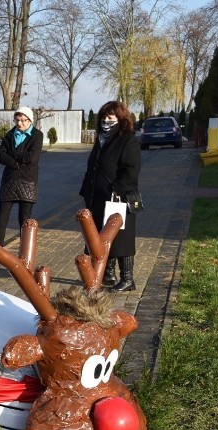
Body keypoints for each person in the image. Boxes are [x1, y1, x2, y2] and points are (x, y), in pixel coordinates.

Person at [79, 100, 142, 292]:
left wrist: (118, 189)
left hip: (118, 198)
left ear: (121, 118)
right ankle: (108, 274)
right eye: (104, 117)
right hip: (97, 197)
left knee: (122, 238)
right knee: (101, 236)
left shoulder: (127, 139)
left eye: (111, 116)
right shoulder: (101, 139)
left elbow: (131, 170)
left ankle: (127, 279)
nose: (106, 120)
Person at [0, 106, 44, 266]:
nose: (20, 123)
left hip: (27, 181)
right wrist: (14, 162)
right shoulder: (9, 135)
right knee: (1, 218)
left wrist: (15, 155)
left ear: (30, 121)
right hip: (9, 180)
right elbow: (2, 156)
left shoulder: (37, 135)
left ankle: (25, 255)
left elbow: (33, 158)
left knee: (24, 220)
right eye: (17, 120)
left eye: (24, 120)